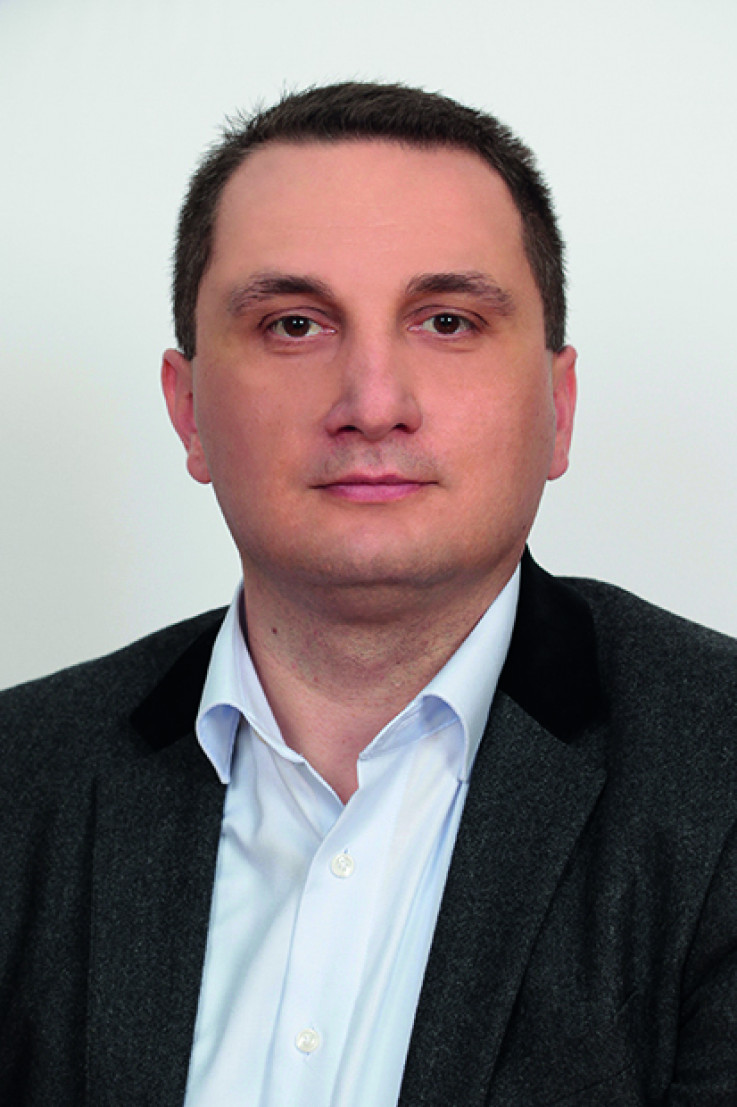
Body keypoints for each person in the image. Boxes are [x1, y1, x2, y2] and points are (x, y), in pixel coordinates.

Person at [1, 81, 736, 1107]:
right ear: (189, 410)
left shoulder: (715, 771)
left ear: (558, 407)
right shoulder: (18, 778)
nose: (373, 403)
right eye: (295, 324)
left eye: (447, 320)